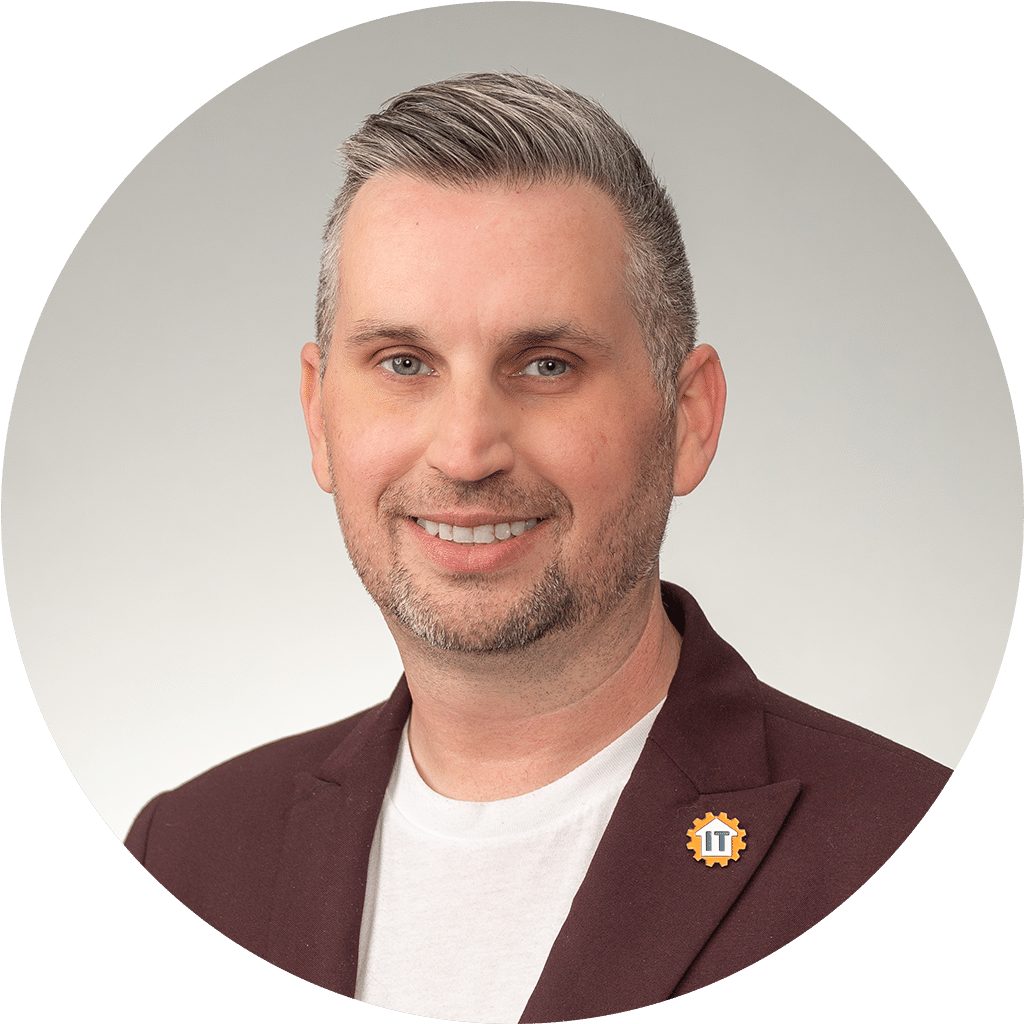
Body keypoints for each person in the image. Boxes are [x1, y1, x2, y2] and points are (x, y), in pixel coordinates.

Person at [126, 73, 949, 1023]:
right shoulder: (184, 858)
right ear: (319, 416)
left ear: (687, 418)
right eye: (403, 363)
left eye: (547, 365)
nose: (466, 450)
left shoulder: (915, 857)